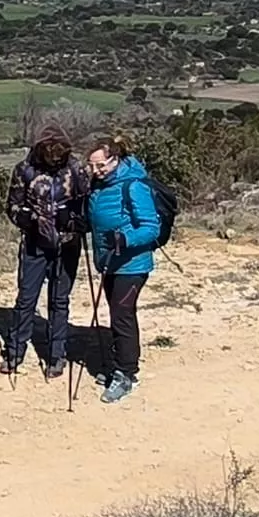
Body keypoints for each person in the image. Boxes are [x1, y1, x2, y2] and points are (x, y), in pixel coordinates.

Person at [1, 126, 89, 378]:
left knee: (59, 301)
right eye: (50, 156)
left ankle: (56, 354)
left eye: (59, 156)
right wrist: (25, 219)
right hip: (34, 244)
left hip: (67, 244)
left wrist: (73, 219)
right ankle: (15, 351)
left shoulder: (76, 169)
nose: (54, 161)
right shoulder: (24, 169)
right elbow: (12, 205)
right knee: (26, 299)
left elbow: (86, 203)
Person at [85, 136, 162, 404]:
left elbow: (151, 228)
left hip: (132, 263)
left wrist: (126, 239)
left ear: (115, 160)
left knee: (122, 315)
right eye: (91, 166)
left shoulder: (134, 185)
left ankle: (126, 374)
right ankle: (120, 364)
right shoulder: (99, 185)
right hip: (109, 261)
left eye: (101, 165)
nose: (96, 171)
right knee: (118, 313)